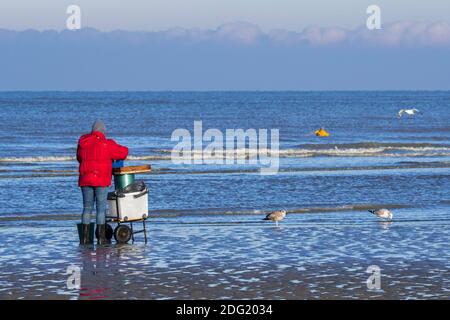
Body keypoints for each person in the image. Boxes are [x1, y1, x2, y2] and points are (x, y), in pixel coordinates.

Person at [77, 120, 128, 245]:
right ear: (102, 131)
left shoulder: (83, 142)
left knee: (87, 209)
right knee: (100, 210)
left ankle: (85, 240)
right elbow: (124, 152)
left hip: (85, 179)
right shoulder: (107, 144)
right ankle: (100, 239)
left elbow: (79, 158)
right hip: (101, 179)